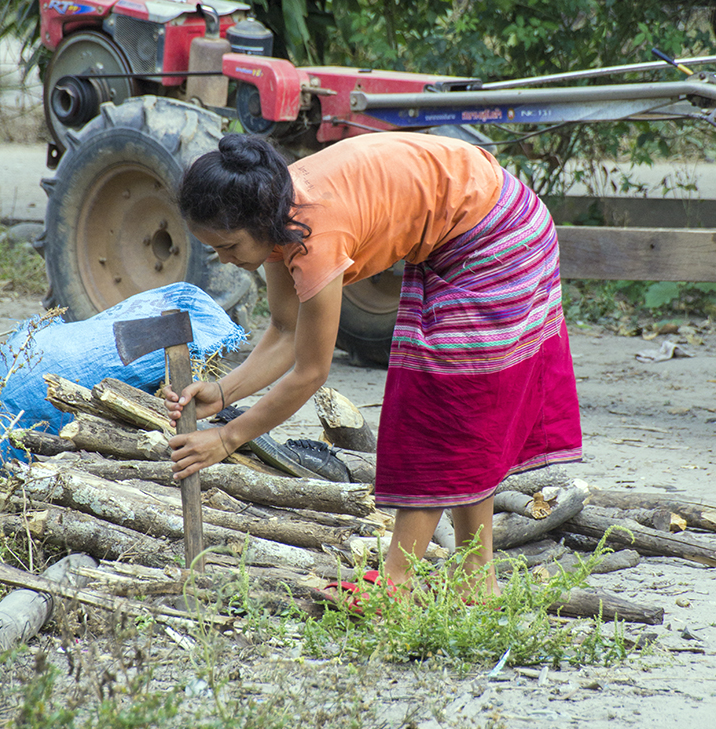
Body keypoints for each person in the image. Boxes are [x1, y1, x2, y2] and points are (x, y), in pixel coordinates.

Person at [165, 131, 582, 601]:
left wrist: (226, 437)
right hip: (467, 224)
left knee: (437, 407)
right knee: (454, 409)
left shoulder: (314, 233)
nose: (225, 259)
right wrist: (222, 394)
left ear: (260, 222)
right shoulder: (277, 213)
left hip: (499, 235)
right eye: (214, 249)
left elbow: (310, 371)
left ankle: (396, 586)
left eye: (229, 247)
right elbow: (284, 331)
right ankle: (475, 580)